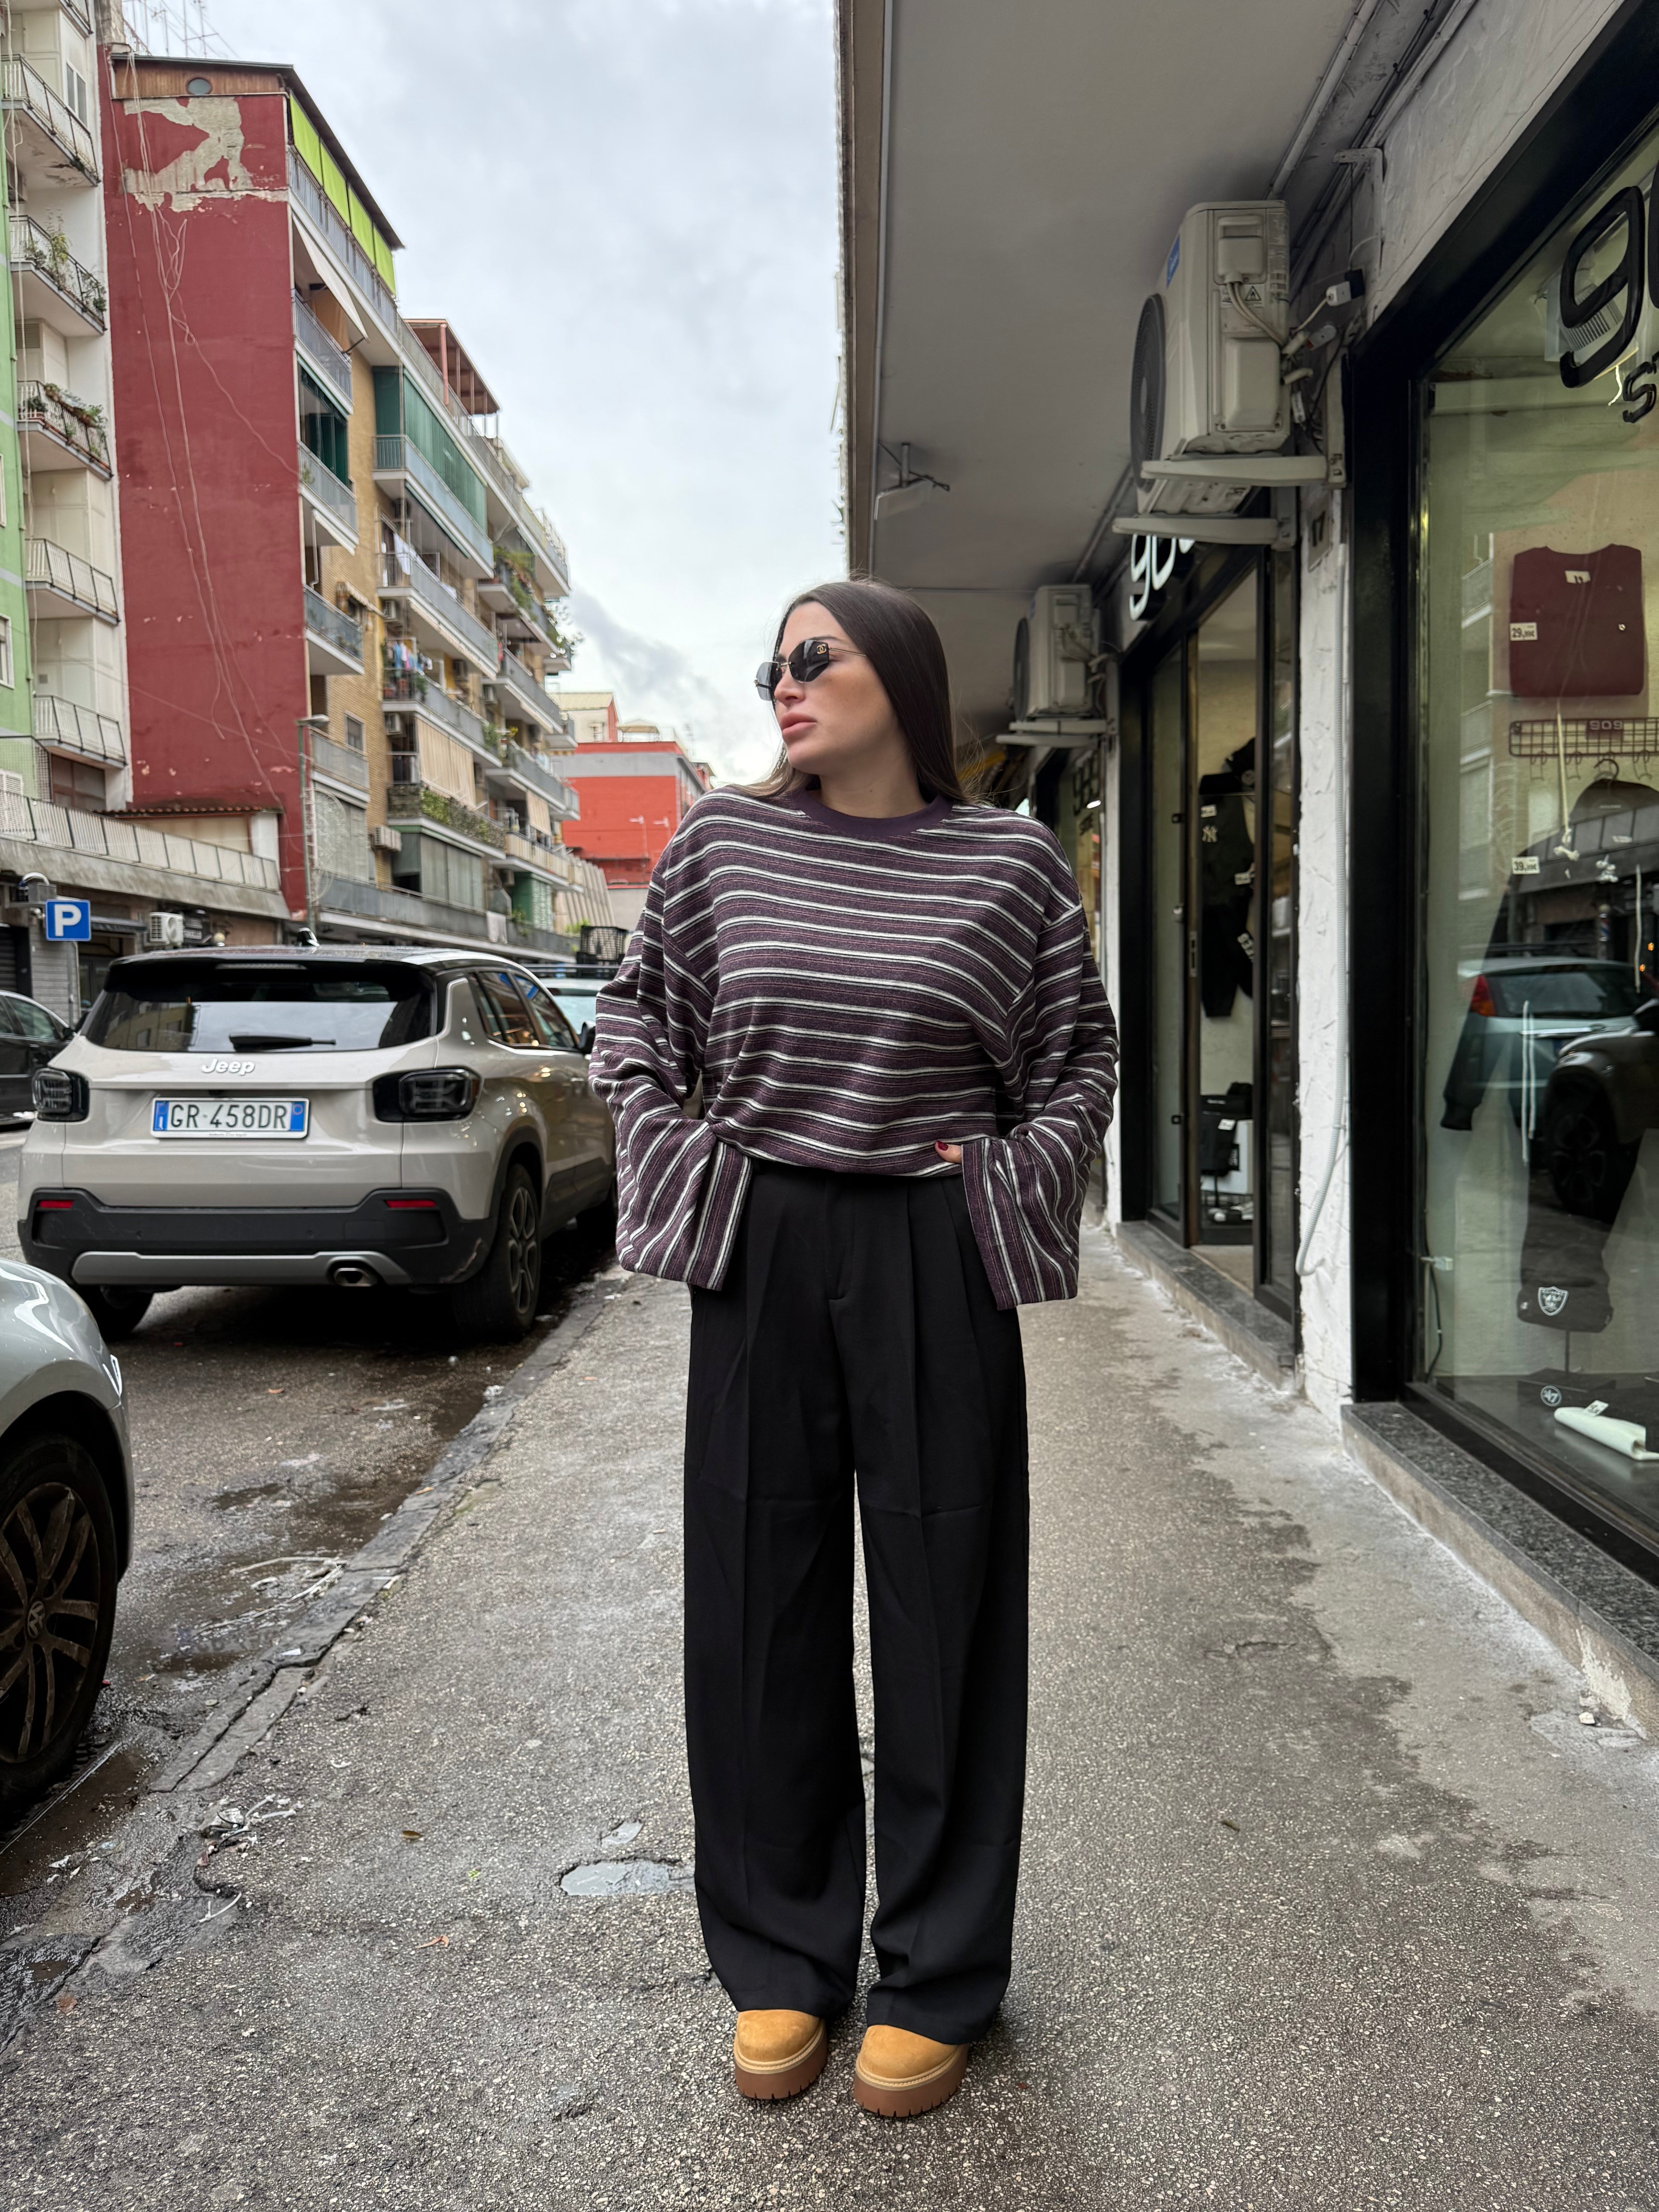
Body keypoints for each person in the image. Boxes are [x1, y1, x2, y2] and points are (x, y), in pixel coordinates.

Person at [589, 578, 1118, 2118]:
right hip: (763, 1239)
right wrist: (700, 1172)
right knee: (756, 1601)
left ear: (899, 671)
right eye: (773, 662)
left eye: (814, 657)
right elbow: (635, 1031)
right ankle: (780, 1957)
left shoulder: (1008, 862)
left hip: (932, 1247)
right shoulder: (721, 844)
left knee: (949, 1608)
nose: (785, 682)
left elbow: (1078, 1058)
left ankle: (938, 1971)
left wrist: (1001, 1187)